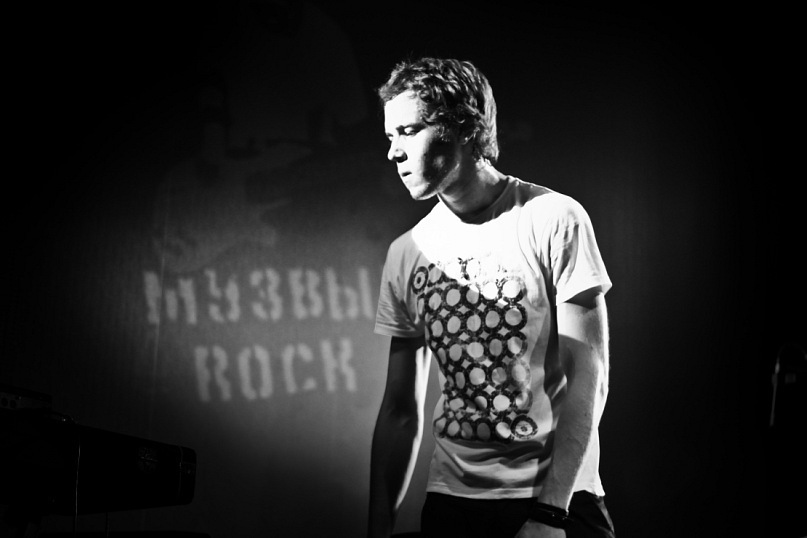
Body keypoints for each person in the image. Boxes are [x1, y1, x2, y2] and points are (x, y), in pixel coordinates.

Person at [367, 57, 616, 538]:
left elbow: (590, 376)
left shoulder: (552, 218)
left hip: (556, 498)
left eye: (409, 131)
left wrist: (551, 512)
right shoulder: (406, 253)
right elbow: (399, 411)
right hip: (452, 506)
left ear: (463, 127)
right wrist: (377, 530)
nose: (394, 152)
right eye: (389, 136)